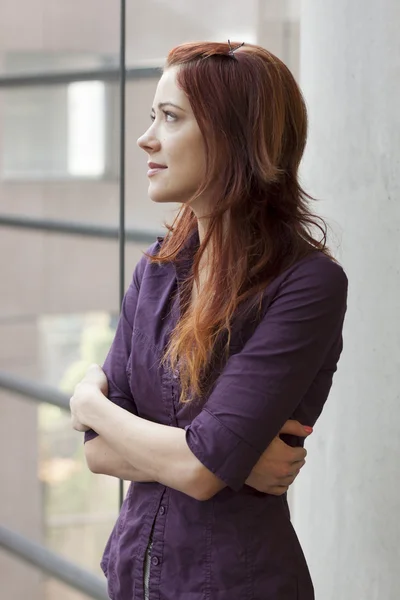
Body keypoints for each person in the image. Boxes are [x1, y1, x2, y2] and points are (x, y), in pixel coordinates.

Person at [70, 40, 348, 600]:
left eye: (169, 119)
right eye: (153, 117)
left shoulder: (306, 284)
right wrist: (229, 461)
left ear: (234, 138)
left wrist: (89, 403)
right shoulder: (156, 270)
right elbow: (99, 452)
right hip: (134, 581)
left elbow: (196, 469)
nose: (147, 138)